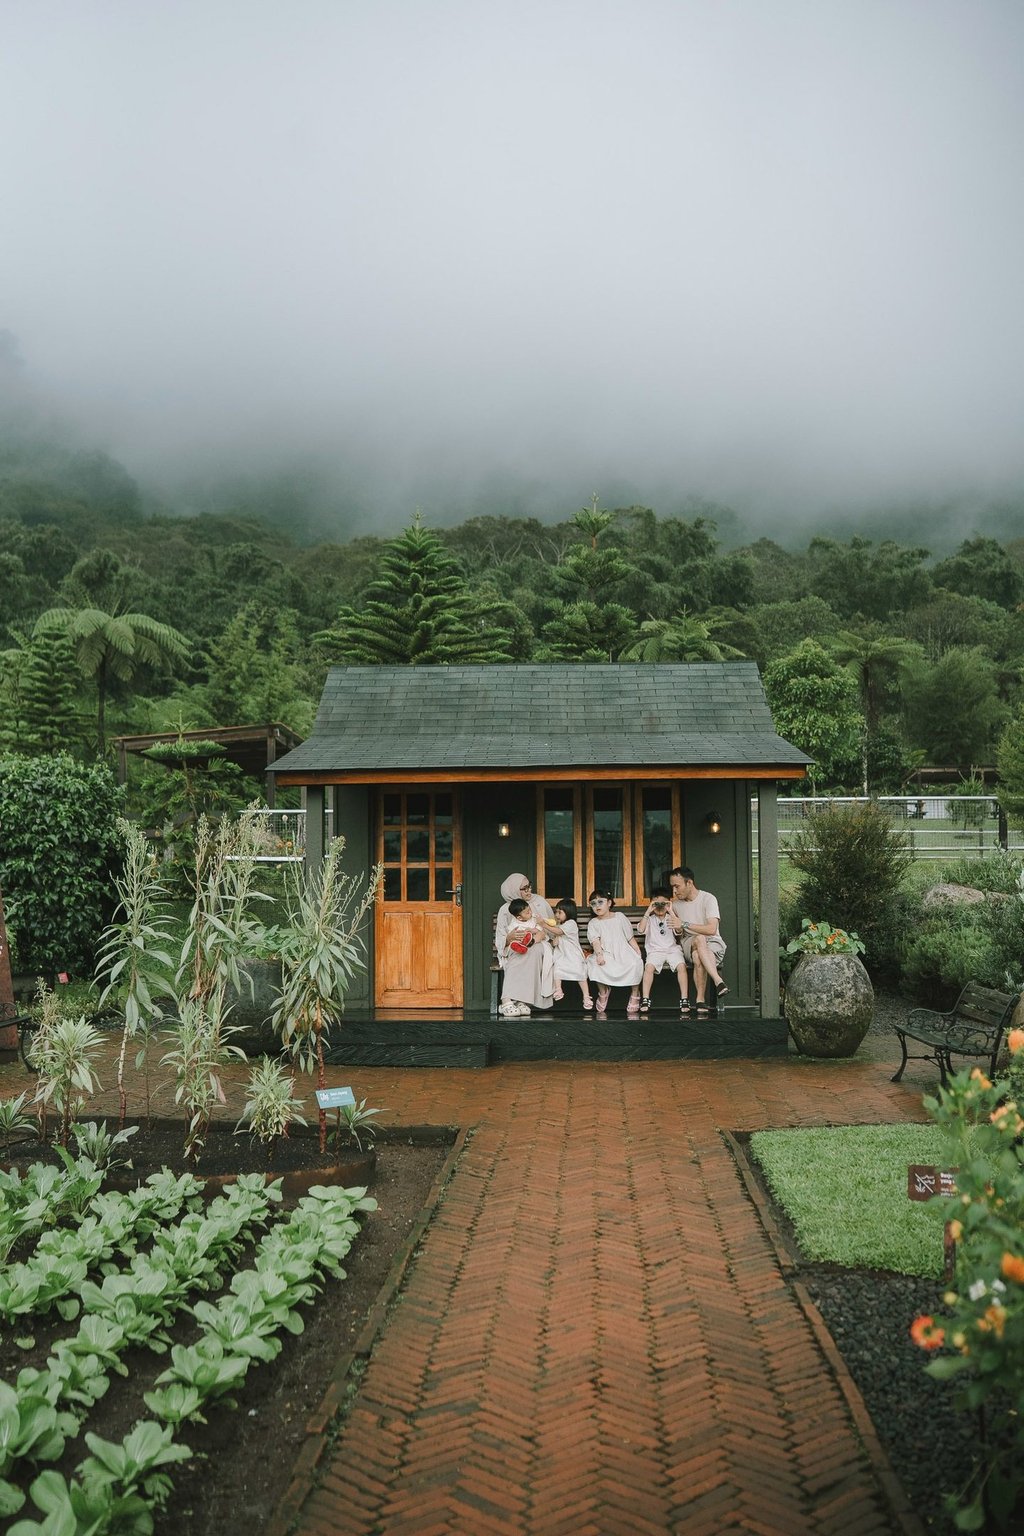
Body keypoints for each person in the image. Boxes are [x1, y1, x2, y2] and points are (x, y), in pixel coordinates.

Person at [669, 865, 728, 1017]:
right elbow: (678, 932)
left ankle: (700, 1000)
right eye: (672, 887)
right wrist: (678, 927)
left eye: (677, 886)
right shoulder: (675, 905)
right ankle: (718, 980)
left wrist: (684, 924)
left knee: (698, 955)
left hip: (713, 944)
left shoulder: (708, 899)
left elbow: (711, 929)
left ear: (689, 883)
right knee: (699, 939)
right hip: (689, 942)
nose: (674, 891)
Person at [496, 872, 554, 1017]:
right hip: (515, 945)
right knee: (517, 953)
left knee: (533, 951)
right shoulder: (506, 909)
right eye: (524, 888)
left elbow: (551, 927)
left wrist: (540, 935)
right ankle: (508, 999)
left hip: (539, 942)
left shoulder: (539, 902)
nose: (529, 890)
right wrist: (509, 938)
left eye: (529, 886)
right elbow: (501, 938)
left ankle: (521, 1000)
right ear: (514, 890)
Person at [586, 890, 643, 1016]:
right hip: (606, 951)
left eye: (600, 902)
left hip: (623, 950)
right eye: (593, 903)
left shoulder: (619, 917)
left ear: (609, 903)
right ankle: (603, 991)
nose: (597, 906)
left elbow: (629, 937)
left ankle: (635, 993)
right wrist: (599, 955)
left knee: (635, 963)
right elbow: (595, 941)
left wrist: (637, 951)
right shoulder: (594, 923)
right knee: (596, 964)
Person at [636, 884, 688, 1014]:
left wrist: (670, 910)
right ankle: (646, 999)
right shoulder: (649, 919)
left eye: (663, 904)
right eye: (656, 904)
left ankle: (684, 999)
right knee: (648, 968)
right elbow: (641, 929)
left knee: (681, 966)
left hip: (672, 950)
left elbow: (679, 930)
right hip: (655, 951)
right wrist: (648, 911)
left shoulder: (671, 917)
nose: (660, 907)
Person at [548, 898, 593, 1010]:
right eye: (556, 912)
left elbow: (559, 932)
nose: (557, 915)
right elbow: (555, 941)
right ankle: (558, 989)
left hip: (573, 955)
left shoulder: (571, 923)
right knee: (557, 968)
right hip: (562, 955)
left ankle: (586, 996)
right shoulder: (559, 925)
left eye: (560, 912)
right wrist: (554, 941)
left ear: (568, 913)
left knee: (580, 973)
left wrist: (543, 924)